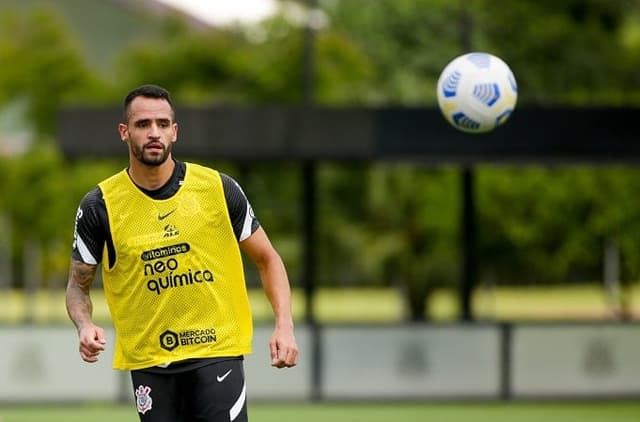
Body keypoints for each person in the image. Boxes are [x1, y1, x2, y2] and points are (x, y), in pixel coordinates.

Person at [65, 84, 298, 422]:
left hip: (217, 351)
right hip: (149, 361)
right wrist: (84, 325)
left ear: (174, 131)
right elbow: (77, 284)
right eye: (143, 124)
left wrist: (284, 326)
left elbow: (268, 259)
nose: (154, 133)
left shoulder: (218, 188)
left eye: (162, 124)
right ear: (124, 132)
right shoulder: (100, 206)